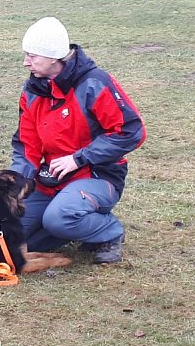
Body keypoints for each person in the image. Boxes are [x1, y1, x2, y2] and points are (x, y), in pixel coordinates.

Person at [10, 17, 146, 263]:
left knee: (59, 218)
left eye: (32, 56)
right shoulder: (32, 90)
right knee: (11, 233)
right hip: (50, 179)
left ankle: (109, 232)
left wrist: (79, 158)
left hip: (97, 174)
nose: (25, 62)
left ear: (54, 57)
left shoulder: (94, 83)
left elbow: (131, 131)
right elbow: (26, 143)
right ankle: (68, 227)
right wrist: (17, 184)